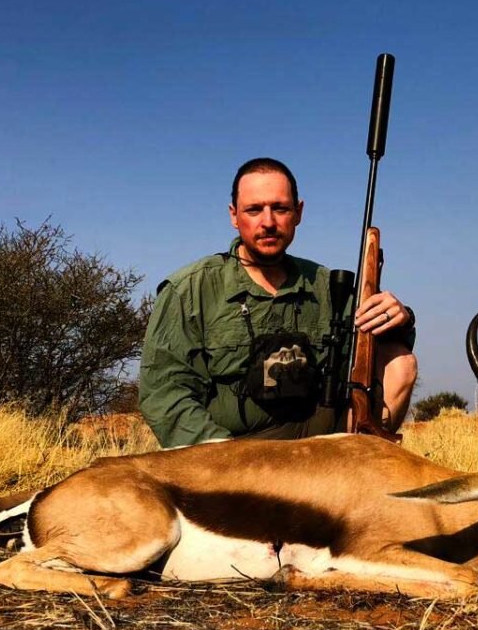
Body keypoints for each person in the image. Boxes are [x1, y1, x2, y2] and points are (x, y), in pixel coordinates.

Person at [139, 157, 417, 449]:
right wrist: (226, 459)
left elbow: (370, 347)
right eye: (254, 209)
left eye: (280, 208)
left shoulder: (326, 284)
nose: (268, 222)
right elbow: (164, 393)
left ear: (298, 213)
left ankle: (363, 466)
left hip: (318, 443)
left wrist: (401, 319)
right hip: (228, 451)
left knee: (401, 363)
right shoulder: (189, 288)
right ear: (234, 216)